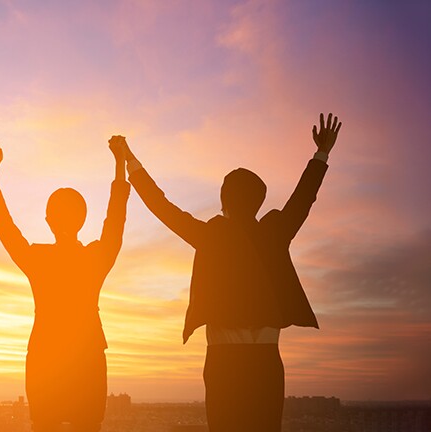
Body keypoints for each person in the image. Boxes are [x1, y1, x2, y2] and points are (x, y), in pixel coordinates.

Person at [120, 113, 342, 431]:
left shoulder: (211, 236)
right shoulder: (275, 231)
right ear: (260, 201)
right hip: (266, 361)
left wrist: (130, 160)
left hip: (223, 360)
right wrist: (322, 153)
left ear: (224, 200)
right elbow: (303, 197)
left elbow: (161, 206)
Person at [0, 140, 130, 432]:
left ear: (48, 220)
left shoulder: (39, 258)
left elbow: (4, 225)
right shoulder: (95, 258)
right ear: (83, 219)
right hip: (87, 358)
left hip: (44, 358)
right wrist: (119, 163)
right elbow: (116, 219)